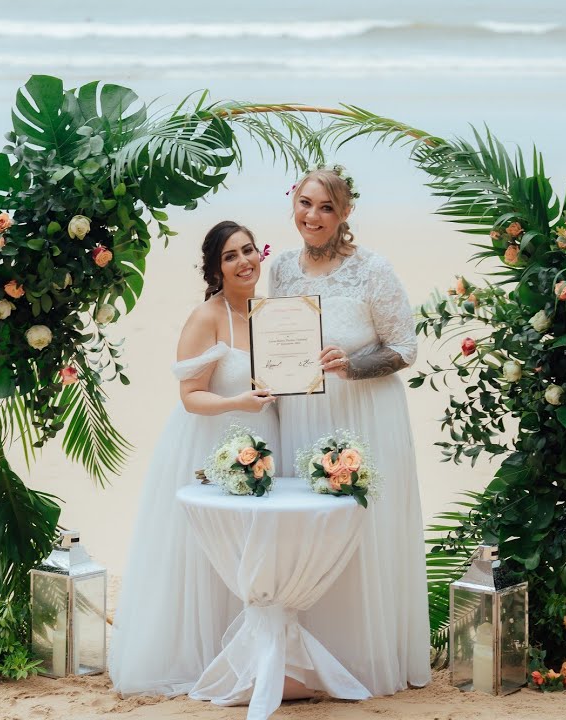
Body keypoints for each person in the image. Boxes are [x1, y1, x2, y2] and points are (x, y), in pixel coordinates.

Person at [267, 166, 431, 695]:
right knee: (309, 533)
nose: (312, 217)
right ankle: (313, 657)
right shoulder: (282, 272)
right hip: (303, 416)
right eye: (305, 204)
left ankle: (366, 655)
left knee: (363, 531)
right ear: (293, 203)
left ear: (345, 214)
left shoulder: (372, 270)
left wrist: (353, 364)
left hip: (364, 416)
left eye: (326, 208)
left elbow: (404, 348)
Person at [108, 220, 278, 697]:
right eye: (231, 256)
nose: (244, 262)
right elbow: (190, 395)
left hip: (266, 445)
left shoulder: (272, 313)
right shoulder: (207, 317)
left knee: (256, 552)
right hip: (213, 444)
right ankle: (205, 657)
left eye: (248, 250)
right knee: (207, 554)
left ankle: (255, 652)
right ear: (216, 268)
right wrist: (236, 403)